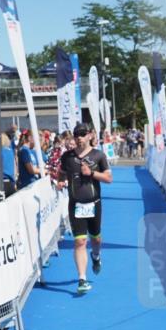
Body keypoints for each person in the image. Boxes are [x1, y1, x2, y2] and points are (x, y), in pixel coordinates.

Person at [58, 123, 112, 294]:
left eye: (82, 134)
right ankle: (82, 279)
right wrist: (60, 181)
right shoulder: (67, 157)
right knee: (80, 241)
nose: (79, 138)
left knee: (95, 238)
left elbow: (109, 178)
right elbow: (61, 172)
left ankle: (96, 257)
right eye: (76, 135)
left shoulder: (98, 156)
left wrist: (92, 174)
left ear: (90, 135)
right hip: (76, 205)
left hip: (94, 204)